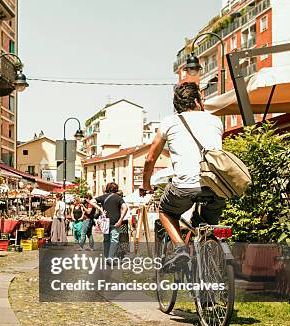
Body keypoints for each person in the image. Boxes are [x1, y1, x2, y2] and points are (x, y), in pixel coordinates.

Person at [142, 82, 225, 268]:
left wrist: (146, 184)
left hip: (185, 186)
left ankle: (181, 249)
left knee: (165, 211)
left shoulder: (169, 122)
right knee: (206, 227)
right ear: (197, 101)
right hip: (217, 187)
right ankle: (208, 263)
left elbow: (149, 159)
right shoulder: (215, 121)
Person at [90, 182, 128, 260]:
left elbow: (91, 201)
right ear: (116, 189)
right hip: (115, 222)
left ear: (107, 188)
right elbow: (125, 208)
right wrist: (121, 219)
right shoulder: (118, 198)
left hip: (105, 222)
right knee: (114, 240)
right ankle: (110, 258)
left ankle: (107, 257)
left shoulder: (103, 197)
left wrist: (99, 208)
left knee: (106, 239)